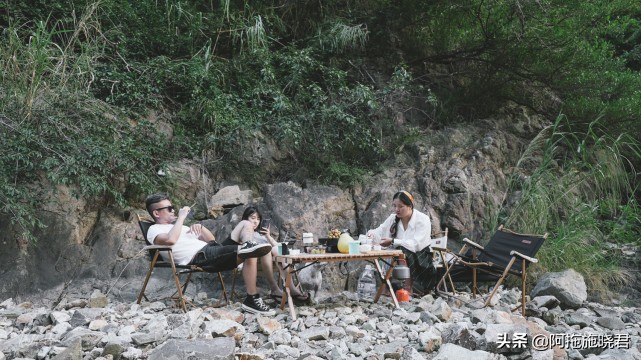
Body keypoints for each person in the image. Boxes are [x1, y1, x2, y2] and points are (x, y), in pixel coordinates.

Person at [144, 193, 276, 315]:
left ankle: (248, 246)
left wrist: (201, 228)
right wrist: (182, 217)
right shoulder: (154, 229)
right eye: (169, 208)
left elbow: (211, 240)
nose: (173, 210)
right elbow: (170, 240)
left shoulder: (181, 228)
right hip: (201, 256)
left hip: (211, 249)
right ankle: (252, 298)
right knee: (250, 248)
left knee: (248, 236)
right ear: (156, 213)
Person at [223, 206, 310, 302]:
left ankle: (290, 287)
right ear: (246, 219)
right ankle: (276, 288)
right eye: (253, 218)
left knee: (277, 249)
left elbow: (280, 249)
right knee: (267, 250)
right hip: (252, 262)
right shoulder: (244, 231)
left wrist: (268, 236)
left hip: (272, 263)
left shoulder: (261, 235)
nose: (256, 221)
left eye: (258, 219)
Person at [367, 190, 436, 295]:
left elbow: (416, 244)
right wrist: (371, 234)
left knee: (400, 251)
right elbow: (379, 231)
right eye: (394, 206)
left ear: (410, 206)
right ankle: (386, 288)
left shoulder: (422, 219)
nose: (396, 209)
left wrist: (393, 241)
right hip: (397, 253)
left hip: (420, 256)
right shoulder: (393, 219)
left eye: (400, 206)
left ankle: (407, 289)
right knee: (385, 253)